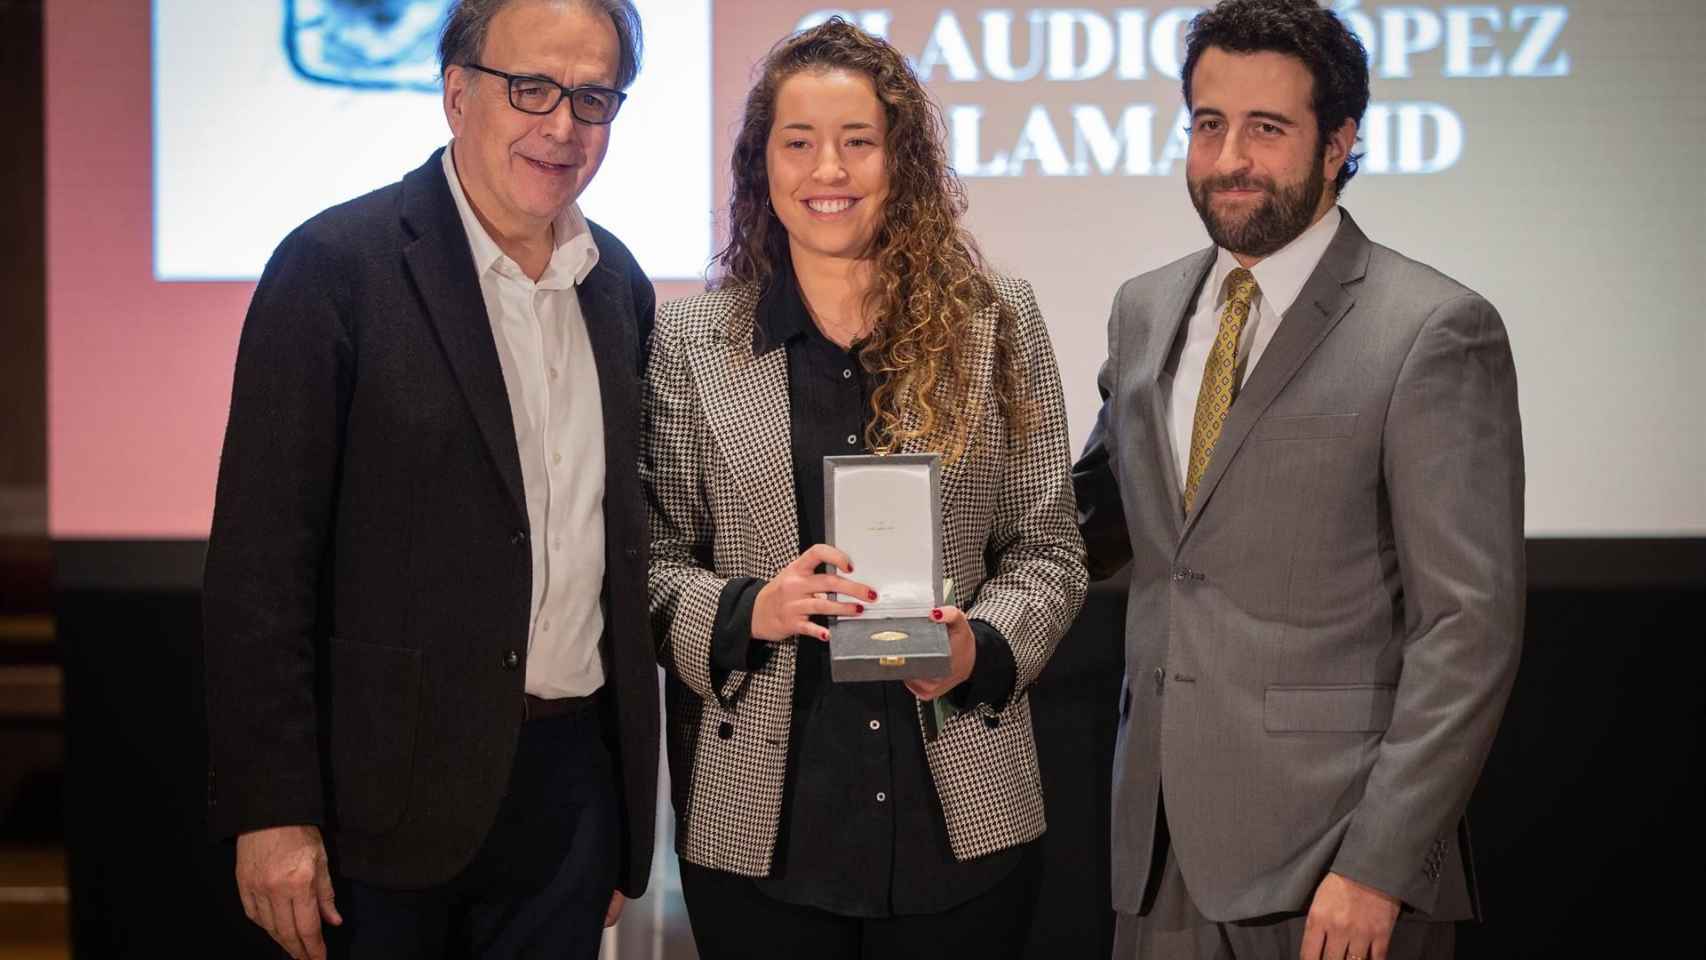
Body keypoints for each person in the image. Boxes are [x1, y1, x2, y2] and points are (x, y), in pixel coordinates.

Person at [202, 2, 658, 957]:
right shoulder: (333, 269)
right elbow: (259, 570)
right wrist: (272, 811)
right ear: (457, 92)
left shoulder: (618, 285)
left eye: (592, 97)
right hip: (377, 813)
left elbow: (614, 554)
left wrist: (618, 813)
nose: (561, 126)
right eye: (530, 88)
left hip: (569, 800)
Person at [1072, 1, 1525, 958]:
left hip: (1335, 866)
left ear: (1339, 143)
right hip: (1157, 851)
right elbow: (1108, 519)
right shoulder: (1145, 308)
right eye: (1208, 123)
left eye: (1267, 128)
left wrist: (1379, 866)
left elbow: (1467, 630)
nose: (1230, 156)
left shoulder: (1434, 329)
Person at [640, 18, 1087, 960]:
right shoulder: (689, 344)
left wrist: (983, 647)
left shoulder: (996, 323)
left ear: (904, 162)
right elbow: (649, 561)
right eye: (798, 143)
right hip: (764, 830)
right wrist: (747, 608)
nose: (827, 170)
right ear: (763, 166)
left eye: (858, 142)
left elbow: (1049, 548)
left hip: (963, 816)